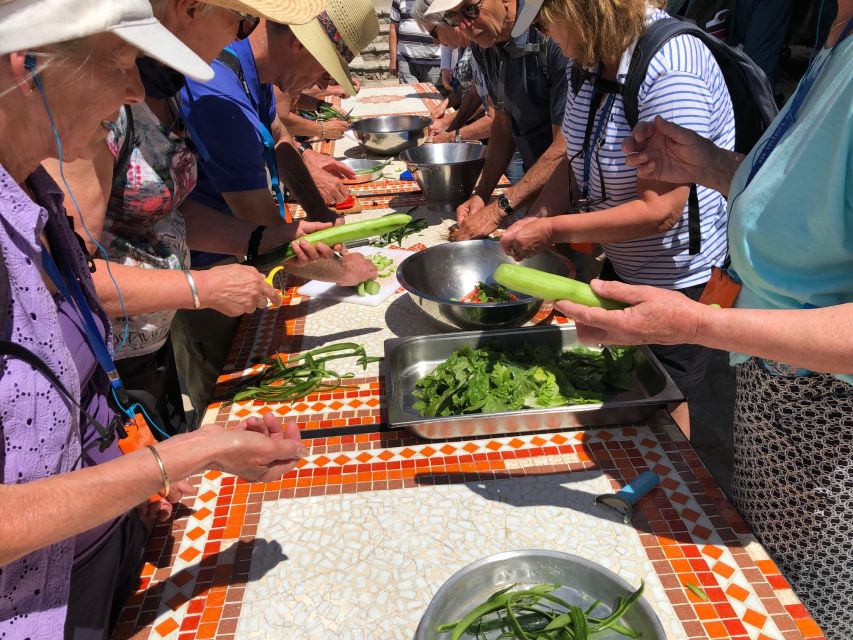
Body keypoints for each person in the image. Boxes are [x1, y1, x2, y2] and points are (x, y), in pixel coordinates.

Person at [0, 0, 310, 637]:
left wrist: (132, 463)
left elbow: (63, 391)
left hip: (88, 561)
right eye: (118, 62)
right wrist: (189, 453)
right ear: (26, 65)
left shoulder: (35, 194)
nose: (136, 87)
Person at [556, 7, 852, 634]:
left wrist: (698, 325)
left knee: (814, 611)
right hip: (778, 404)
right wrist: (711, 166)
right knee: (764, 593)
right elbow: (808, 207)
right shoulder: (839, 34)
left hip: (835, 435)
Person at [44, 0, 343, 436]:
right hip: (105, 366)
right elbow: (68, 273)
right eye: (242, 21)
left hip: (154, 343)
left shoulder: (167, 89)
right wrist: (200, 287)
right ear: (191, 8)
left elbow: (164, 211)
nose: (244, 35)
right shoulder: (101, 107)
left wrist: (264, 239)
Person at [498, 0, 736, 432]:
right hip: (626, 263)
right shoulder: (589, 61)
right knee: (630, 385)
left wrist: (553, 229)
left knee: (663, 395)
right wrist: (539, 218)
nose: (544, 35)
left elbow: (660, 212)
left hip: (681, 279)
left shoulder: (670, 67)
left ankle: (670, 494)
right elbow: (572, 157)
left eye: (547, 23)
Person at [173, 1, 380, 416]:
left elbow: (280, 136)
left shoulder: (250, 71)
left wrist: (320, 214)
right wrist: (344, 271)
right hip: (211, 283)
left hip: (247, 258)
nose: (320, 84)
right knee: (236, 406)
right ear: (303, 45)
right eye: (324, 71)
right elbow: (259, 226)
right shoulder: (218, 94)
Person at [423, 0, 569, 239]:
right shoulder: (485, 43)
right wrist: (482, 193)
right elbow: (503, 120)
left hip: (572, 191)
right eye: (451, 17)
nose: (463, 25)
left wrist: (497, 211)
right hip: (536, 178)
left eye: (470, 10)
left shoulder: (550, 35)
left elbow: (564, 149)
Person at [390, 0, 442, 85]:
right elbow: (393, 27)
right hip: (406, 59)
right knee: (409, 94)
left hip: (434, 60)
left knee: (434, 96)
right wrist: (392, 60)